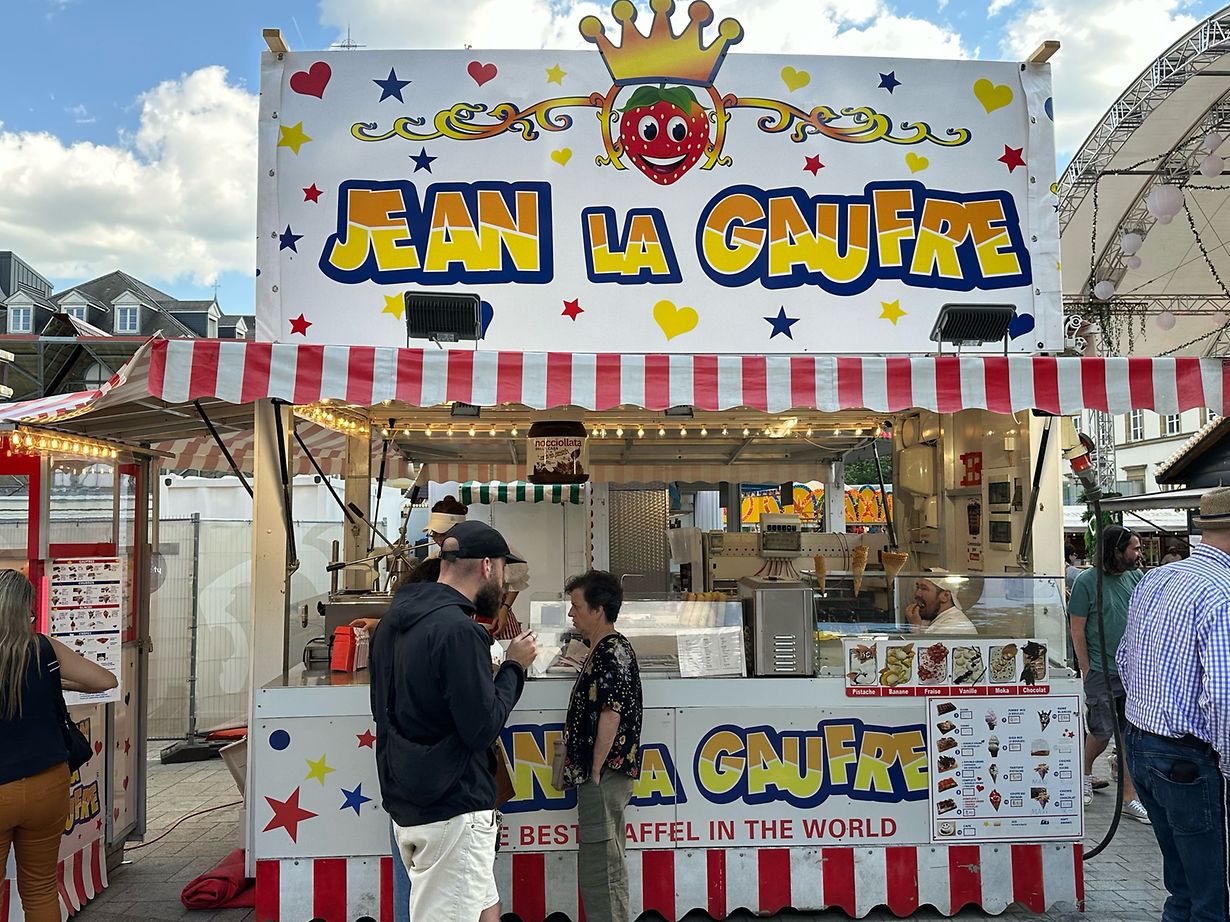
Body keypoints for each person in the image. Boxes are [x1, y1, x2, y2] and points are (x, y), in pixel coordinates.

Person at [370, 521, 536, 922]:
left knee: (485, 910)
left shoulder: (391, 623)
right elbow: (482, 727)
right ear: (487, 566)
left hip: (406, 794)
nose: (502, 582)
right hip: (453, 806)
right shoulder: (460, 630)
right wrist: (514, 667)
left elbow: (381, 709)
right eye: (502, 569)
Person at [1119, 486, 1230, 921]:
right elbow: (1222, 694)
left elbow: (1125, 658)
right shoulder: (1222, 593)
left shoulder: (1156, 578)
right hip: (1186, 756)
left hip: (1143, 741)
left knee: (1183, 887)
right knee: (1210, 898)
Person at [0, 569, 117, 922]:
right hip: (48, 784)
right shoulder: (44, 649)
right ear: (27, 609)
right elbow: (104, 680)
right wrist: (55, 679)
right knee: (40, 890)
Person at [561, 570, 642, 922]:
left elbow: (611, 712)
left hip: (604, 773)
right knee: (603, 859)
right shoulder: (605, 649)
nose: (571, 613)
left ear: (598, 610)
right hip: (604, 773)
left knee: (602, 865)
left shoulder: (611, 651)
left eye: (577, 606)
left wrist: (595, 768)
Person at [1067, 524, 1148, 821]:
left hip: (1132, 671)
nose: (1139, 554)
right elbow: (1077, 628)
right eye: (1134, 549)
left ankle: (1129, 797)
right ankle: (1084, 772)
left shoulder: (1135, 578)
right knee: (1101, 732)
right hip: (1101, 669)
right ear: (1116, 551)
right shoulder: (1087, 581)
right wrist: (1086, 667)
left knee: (1128, 735)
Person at [904, 573, 977, 635]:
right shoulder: (935, 619)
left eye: (924, 589)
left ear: (945, 596)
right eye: (917, 587)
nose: (917, 594)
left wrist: (915, 628)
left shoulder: (954, 626)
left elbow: (927, 647)